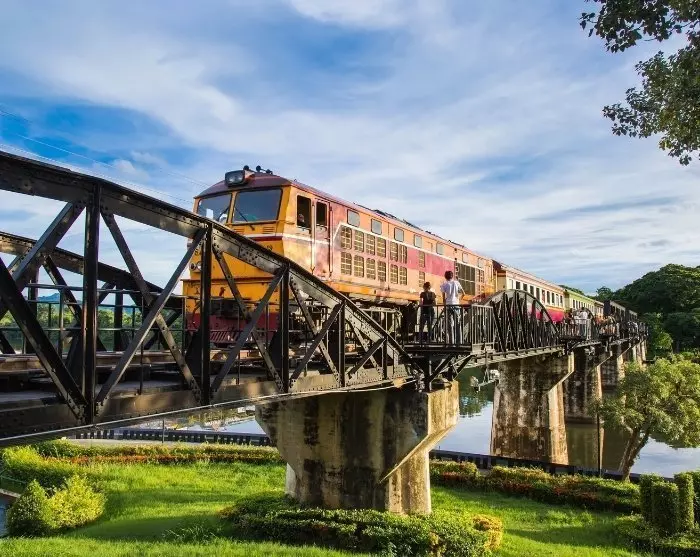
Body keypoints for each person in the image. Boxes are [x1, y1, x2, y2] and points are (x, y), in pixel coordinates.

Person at [440, 270, 464, 344]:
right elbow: (463, 293)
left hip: (448, 305)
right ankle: (459, 342)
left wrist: (444, 305)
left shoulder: (444, 284)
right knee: (458, 323)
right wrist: (458, 300)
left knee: (449, 325)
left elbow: (443, 297)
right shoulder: (456, 282)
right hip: (456, 305)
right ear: (452, 276)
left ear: (445, 276)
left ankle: (451, 342)